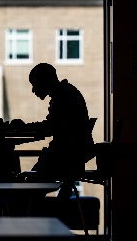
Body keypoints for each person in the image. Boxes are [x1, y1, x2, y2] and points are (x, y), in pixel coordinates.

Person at [7, 62, 94, 199]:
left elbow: (49, 127)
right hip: (72, 157)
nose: (33, 90)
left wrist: (24, 128)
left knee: (27, 183)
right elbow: (52, 125)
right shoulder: (68, 93)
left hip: (64, 158)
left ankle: (31, 214)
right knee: (29, 183)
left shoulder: (63, 97)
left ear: (44, 81)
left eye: (35, 84)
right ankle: (44, 213)